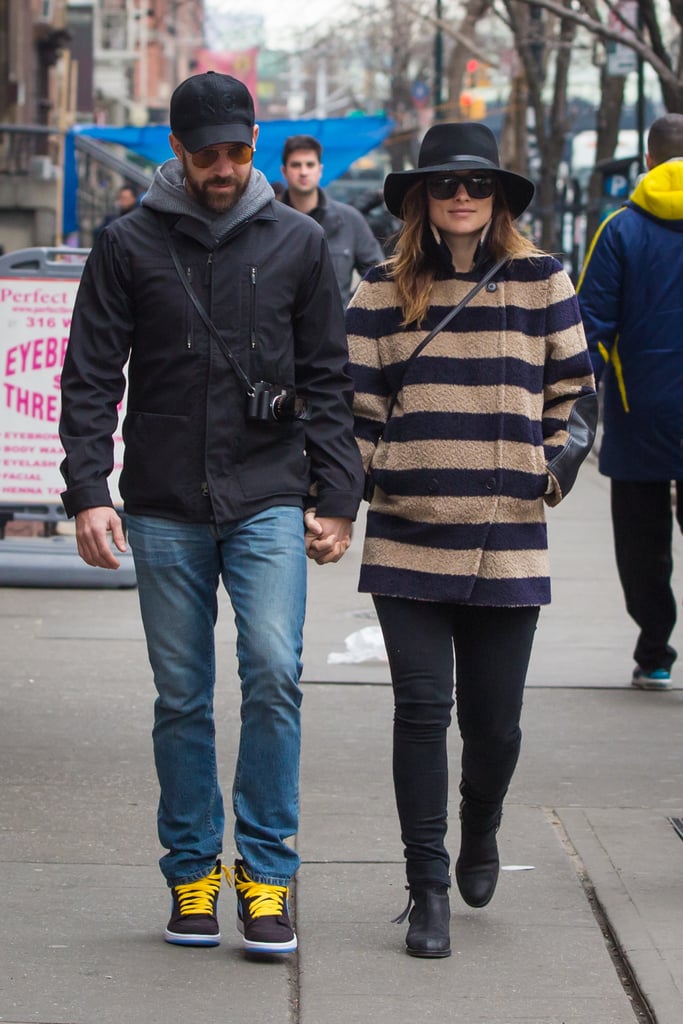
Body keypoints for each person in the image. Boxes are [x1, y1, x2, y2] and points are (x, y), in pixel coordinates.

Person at [59, 71, 364, 956]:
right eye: (208, 153)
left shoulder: (300, 241)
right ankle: (192, 871)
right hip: (162, 502)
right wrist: (87, 491)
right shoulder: (126, 244)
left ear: (255, 145)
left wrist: (337, 496)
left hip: (267, 491)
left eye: (237, 150)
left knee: (273, 672)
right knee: (182, 695)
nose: (224, 167)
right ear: (178, 151)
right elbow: (88, 377)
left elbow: (328, 381)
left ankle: (266, 880)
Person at [346, 122, 597, 958]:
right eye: (446, 184)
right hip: (408, 538)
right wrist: (361, 488)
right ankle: (425, 890)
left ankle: (478, 825)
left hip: (507, 538)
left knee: (493, 726)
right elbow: (354, 413)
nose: (462, 197)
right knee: (421, 711)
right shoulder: (380, 288)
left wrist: (545, 473)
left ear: (497, 197)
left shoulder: (541, 279)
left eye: (478, 184)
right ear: (421, 196)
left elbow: (576, 396)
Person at [577, 114, 683, 692]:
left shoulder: (619, 230)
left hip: (638, 412)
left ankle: (654, 651)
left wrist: (572, 409)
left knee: (643, 548)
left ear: (647, 161)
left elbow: (589, 329)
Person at [279, 134, 383, 305]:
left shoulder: (350, 220)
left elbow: (377, 276)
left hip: (338, 329)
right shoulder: (269, 221)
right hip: (283, 329)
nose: (303, 172)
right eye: (296, 165)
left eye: (309, 165)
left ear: (320, 170)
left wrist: (349, 312)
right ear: (284, 171)